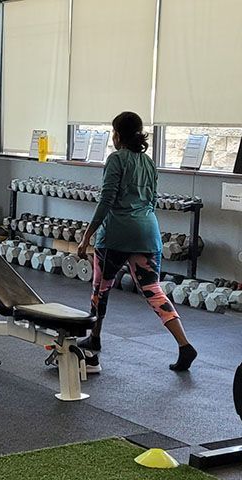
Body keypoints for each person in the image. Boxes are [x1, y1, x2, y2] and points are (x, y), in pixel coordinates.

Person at [76, 111, 198, 373]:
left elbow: (106, 200)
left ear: (117, 134)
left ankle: (94, 337)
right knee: (154, 290)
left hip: (116, 235)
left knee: (101, 288)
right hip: (148, 232)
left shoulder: (116, 159)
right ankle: (184, 345)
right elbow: (153, 201)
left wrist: (87, 235)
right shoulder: (149, 163)